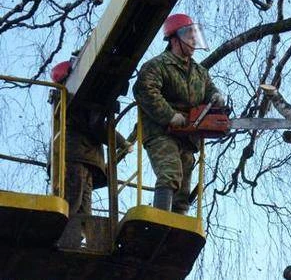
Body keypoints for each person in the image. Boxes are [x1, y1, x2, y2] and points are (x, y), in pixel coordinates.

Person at [133, 13, 224, 215]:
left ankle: (177, 227)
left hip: (188, 136)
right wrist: (169, 115)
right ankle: (160, 220)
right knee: (170, 173)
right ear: (175, 39)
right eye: (189, 36)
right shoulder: (157, 65)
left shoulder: (200, 72)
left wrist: (216, 96)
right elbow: (145, 90)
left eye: (195, 36)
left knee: (183, 189)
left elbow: (209, 90)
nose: (193, 40)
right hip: (161, 132)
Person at [50, 61, 133, 220]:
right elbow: (95, 126)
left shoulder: (65, 101)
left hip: (82, 159)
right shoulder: (73, 99)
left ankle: (75, 241)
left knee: (83, 213)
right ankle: (63, 239)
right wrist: (122, 142)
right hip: (76, 158)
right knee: (72, 206)